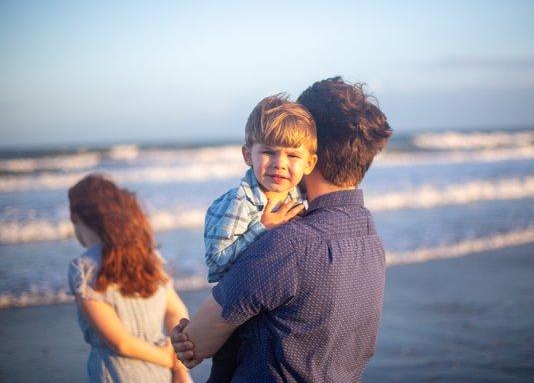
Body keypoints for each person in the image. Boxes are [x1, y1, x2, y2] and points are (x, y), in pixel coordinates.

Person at [172, 76, 392, 382]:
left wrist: (189, 337)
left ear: (312, 153)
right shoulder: (371, 239)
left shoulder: (289, 242)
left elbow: (196, 344)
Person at [202, 94, 318, 381]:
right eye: (268, 152)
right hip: (235, 317)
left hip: (270, 314)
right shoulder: (237, 203)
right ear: (247, 155)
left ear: (309, 163)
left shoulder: (296, 194)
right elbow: (216, 264)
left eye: (292, 155)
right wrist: (262, 228)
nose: (279, 164)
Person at [68, 174, 192, 383]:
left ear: (74, 216)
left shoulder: (84, 268)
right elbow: (177, 313)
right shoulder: (148, 257)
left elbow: (121, 343)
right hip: (163, 376)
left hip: (116, 374)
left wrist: (167, 360)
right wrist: (178, 366)